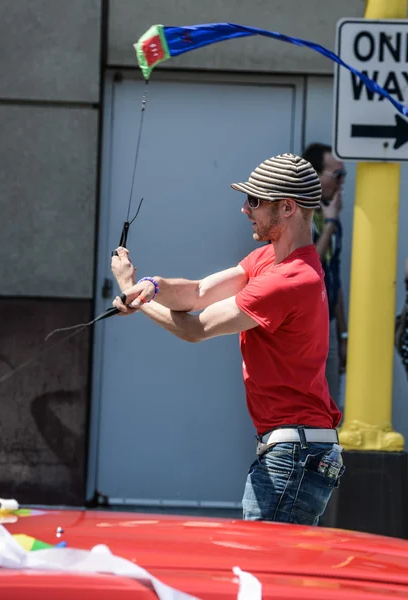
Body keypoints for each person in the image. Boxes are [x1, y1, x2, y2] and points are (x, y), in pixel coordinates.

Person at [111, 153, 344, 525]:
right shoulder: (268, 260)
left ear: (286, 207)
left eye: (254, 200)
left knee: (265, 571)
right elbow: (199, 292)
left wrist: (129, 293)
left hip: (295, 453)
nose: (244, 209)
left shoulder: (290, 279)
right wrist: (149, 286)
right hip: (299, 449)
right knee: (273, 573)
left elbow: (195, 328)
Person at [302, 143, 348, 408]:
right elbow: (305, 268)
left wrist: (343, 334)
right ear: (314, 176)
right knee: (308, 405)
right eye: (336, 175)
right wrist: (329, 225)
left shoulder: (332, 218)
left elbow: (335, 280)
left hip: (328, 322)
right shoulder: (299, 217)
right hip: (304, 326)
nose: (341, 183)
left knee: (329, 406)